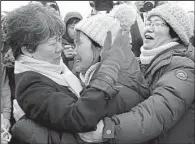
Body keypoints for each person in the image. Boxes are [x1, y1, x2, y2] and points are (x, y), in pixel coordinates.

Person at [5, 3, 149, 144]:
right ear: (27, 50)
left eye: (59, 41)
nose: (60, 48)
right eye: (52, 43)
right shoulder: (32, 84)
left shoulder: (58, 70)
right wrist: (107, 70)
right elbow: (80, 118)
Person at [96, 3, 194, 144]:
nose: (149, 28)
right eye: (149, 22)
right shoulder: (141, 63)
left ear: (176, 34)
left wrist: (109, 129)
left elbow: (157, 113)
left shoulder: (183, 67)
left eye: (158, 23)